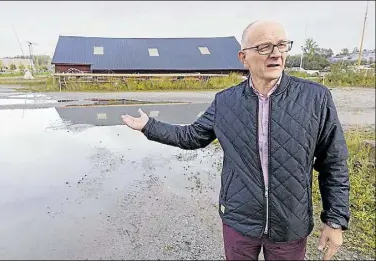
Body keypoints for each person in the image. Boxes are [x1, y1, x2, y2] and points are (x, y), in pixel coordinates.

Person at [121, 20, 350, 261]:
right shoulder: (226, 101)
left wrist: (335, 220)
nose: (276, 54)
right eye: (264, 47)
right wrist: (149, 126)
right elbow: (192, 136)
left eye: (282, 45)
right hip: (239, 222)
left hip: (290, 224)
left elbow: (333, 162)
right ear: (244, 57)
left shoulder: (315, 98)